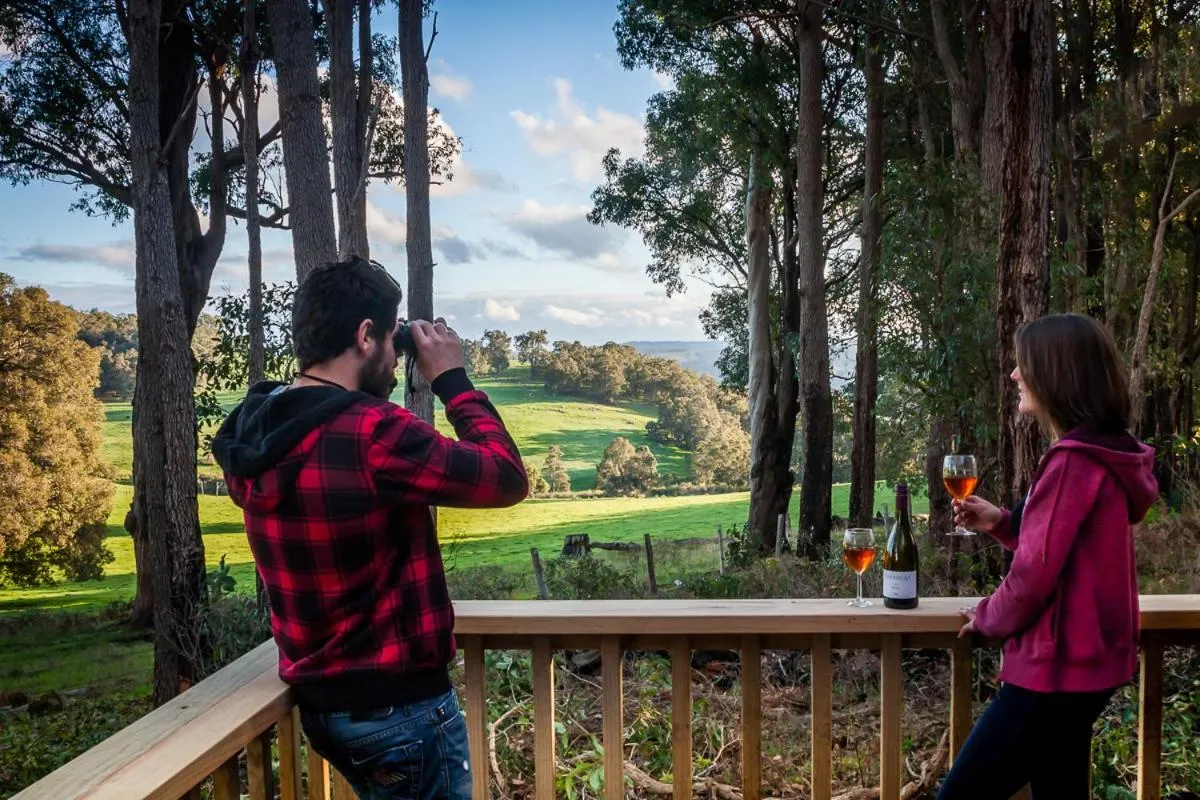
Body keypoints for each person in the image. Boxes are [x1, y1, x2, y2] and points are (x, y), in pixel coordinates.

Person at [212, 257, 529, 799]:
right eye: (391, 339)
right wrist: (451, 378)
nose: (392, 359)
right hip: (399, 707)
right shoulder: (370, 432)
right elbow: (504, 477)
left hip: (324, 707)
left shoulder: (257, 423)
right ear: (365, 337)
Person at [937, 314, 1158, 800]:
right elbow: (1071, 549)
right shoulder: (1103, 457)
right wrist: (1002, 522)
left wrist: (987, 617)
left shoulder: (1072, 462)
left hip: (1054, 672)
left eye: (1024, 365)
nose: (1015, 375)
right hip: (1088, 670)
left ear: (1058, 374)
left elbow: (1035, 574)